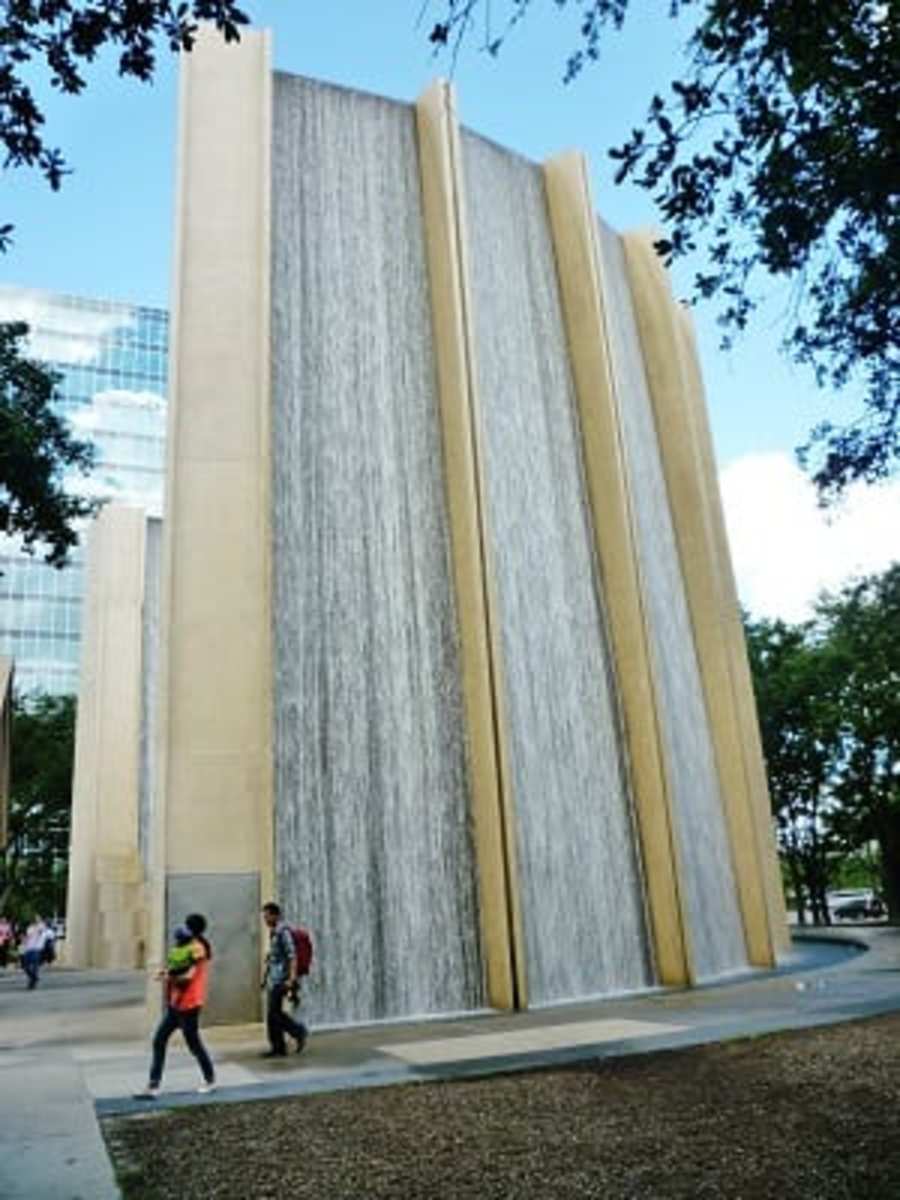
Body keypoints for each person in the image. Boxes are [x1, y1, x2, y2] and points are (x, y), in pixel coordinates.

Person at [134, 912, 216, 1099]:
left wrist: (168, 977)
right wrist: (167, 972)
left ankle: (210, 1079)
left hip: (189, 1004)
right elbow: (178, 969)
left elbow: (187, 977)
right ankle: (153, 1085)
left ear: (192, 929)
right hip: (176, 1004)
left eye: (187, 925)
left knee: (193, 1044)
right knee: (159, 1040)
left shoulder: (197, 948)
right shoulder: (187, 947)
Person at [261, 901, 308, 1058]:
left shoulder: (283, 932)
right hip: (273, 979)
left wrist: (292, 979)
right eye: (264, 916)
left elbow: (292, 956)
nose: (265, 919)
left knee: (274, 1013)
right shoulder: (274, 932)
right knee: (272, 1015)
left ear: (275, 915)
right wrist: (265, 978)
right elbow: (274, 958)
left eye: (267, 916)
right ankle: (277, 1048)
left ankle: (298, 1031)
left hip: (282, 979)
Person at [20, 915, 52, 989]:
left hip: (36, 949)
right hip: (28, 949)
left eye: (36, 919)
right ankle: (34, 977)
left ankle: (32, 983)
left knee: (35, 966)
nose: (34, 920)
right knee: (25, 966)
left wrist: (39, 921)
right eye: (34, 919)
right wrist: (23, 941)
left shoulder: (41, 927)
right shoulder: (30, 928)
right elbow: (27, 937)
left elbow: (41, 929)